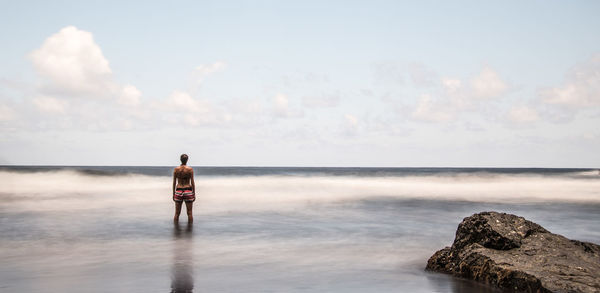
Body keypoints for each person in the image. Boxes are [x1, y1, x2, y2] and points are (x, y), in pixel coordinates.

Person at [173, 154, 195, 222]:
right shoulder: (190, 169)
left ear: (180, 159)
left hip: (179, 190)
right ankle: (190, 230)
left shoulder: (176, 169)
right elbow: (192, 182)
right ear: (187, 160)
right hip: (187, 190)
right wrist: (194, 193)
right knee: (189, 213)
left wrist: (173, 193)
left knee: (177, 213)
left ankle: (176, 231)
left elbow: (174, 182)